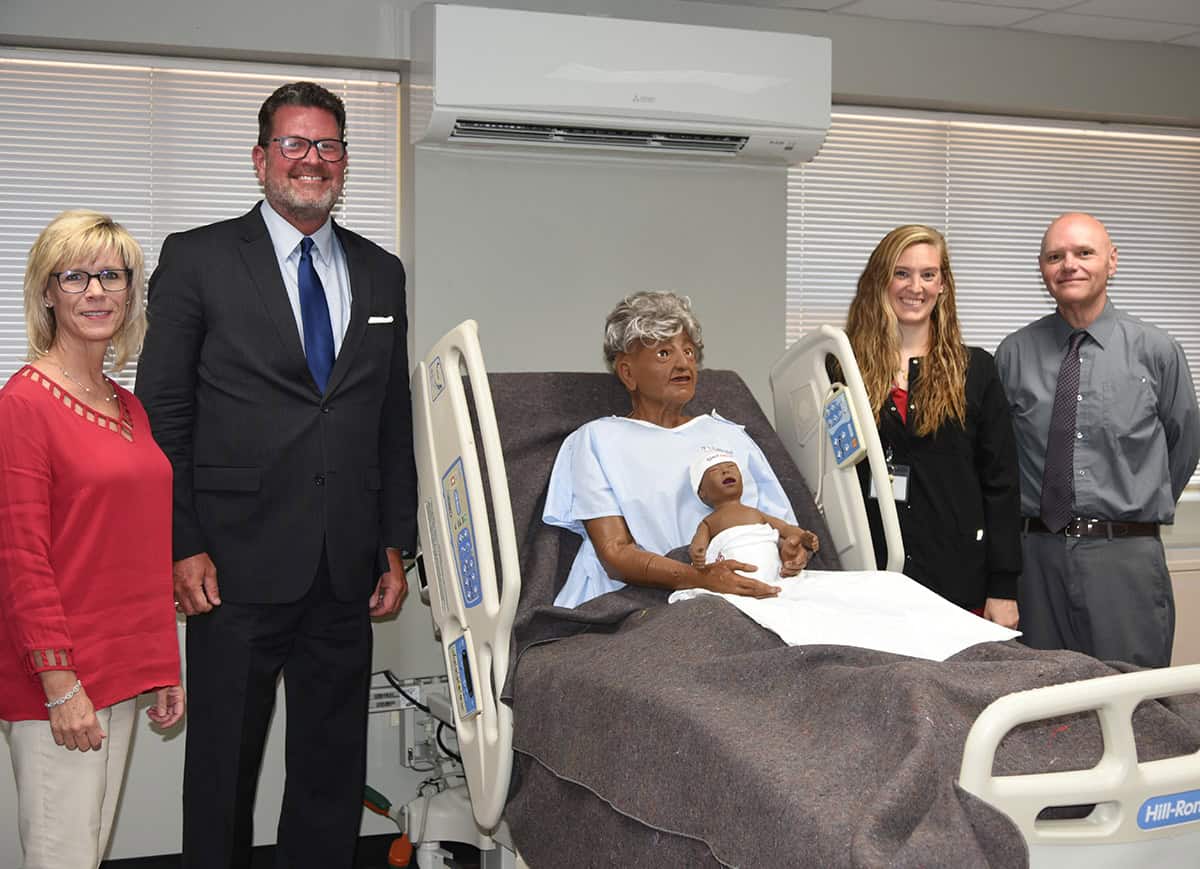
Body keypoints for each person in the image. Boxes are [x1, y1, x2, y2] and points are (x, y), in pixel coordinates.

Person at [135, 82, 417, 868]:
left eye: (326, 146)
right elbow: (162, 411)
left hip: (345, 564)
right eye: (293, 144)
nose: (311, 160)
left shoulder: (382, 271)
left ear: (345, 163)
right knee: (222, 767)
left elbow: (390, 414)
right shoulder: (197, 259)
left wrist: (397, 540)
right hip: (231, 564)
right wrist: (180, 541)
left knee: (331, 770)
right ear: (261, 159)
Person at [0, 210, 184, 869]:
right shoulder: (23, 404)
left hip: (122, 670)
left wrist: (161, 661)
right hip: (63, 680)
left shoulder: (125, 404)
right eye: (74, 275)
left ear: (131, 291)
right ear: (47, 291)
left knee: (88, 850)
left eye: (111, 274)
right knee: (61, 857)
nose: (96, 290)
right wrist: (58, 685)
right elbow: (20, 559)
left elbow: (138, 547)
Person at [995, 212, 1200, 668]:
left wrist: (1133, 497)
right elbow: (999, 463)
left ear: (1112, 261)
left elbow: (1183, 445)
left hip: (1124, 559)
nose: (1069, 264)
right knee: (1041, 703)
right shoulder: (1013, 354)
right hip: (1036, 560)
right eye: (1055, 256)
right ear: (1043, 270)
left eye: (1084, 252)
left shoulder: (1157, 351)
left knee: (1133, 703)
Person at [544, 291, 817, 608]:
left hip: (754, 591)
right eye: (663, 353)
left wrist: (792, 549)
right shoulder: (595, 441)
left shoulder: (731, 436)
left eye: (688, 352)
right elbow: (615, 554)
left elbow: (782, 528)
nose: (683, 362)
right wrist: (702, 579)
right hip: (647, 602)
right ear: (627, 372)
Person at [845, 225, 1021, 628]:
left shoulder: (975, 370)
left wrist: (1004, 588)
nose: (915, 287)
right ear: (880, 281)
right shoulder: (843, 367)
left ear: (943, 285)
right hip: (871, 581)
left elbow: (1002, 486)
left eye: (928, 274)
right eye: (901, 273)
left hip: (960, 580)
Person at [689, 452, 820, 582]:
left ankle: (788, 554)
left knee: (790, 542)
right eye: (714, 471)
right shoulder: (709, 522)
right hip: (736, 567)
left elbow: (784, 528)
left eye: (731, 467)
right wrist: (698, 551)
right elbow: (699, 542)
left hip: (773, 567)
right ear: (702, 493)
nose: (725, 472)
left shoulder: (756, 513)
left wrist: (803, 536)